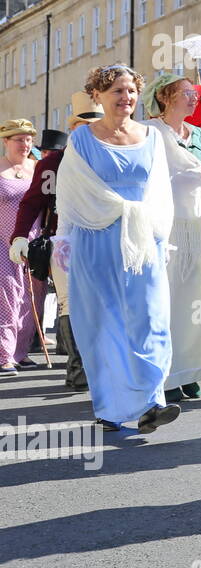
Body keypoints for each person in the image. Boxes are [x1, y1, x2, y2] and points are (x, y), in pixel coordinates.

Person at [57, 65, 179, 433]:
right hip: (97, 240)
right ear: (98, 95)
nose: (125, 98)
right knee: (103, 325)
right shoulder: (81, 141)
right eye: (116, 91)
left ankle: (153, 401)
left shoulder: (152, 137)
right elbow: (72, 193)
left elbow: (161, 192)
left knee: (151, 318)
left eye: (130, 91)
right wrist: (63, 240)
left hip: (142, 243)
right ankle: (111, 407)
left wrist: (158, 232)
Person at [9, 95, 103, 391]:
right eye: (84, 126)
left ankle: (101, 364)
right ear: (74, 128)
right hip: (63, 240)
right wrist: (20, 235)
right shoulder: (52, 162)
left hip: (105, 240)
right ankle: (77, 367)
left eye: (95, 126)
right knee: (69, 302)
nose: (90, 131)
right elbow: (32, 201)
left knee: (103, 302)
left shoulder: (113, 156)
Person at [142, 74, 201, 401]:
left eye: (194, 93)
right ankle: (167, 372)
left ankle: (191, 368)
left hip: (200, 223)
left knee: (200, 297)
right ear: (165, 98)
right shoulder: (151, 133)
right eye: (186, 93)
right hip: (167, 223)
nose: (194, 98)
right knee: (169, 298)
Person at [0, 119, 41, 377]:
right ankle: (4, 355)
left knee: (30, 296)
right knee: (7, 296)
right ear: (6, 141)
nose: (25, 144)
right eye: (19, 139)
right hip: (2, 241)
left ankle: (20, 352)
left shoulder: (37, 168)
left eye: (28, 139)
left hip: (32, 240)